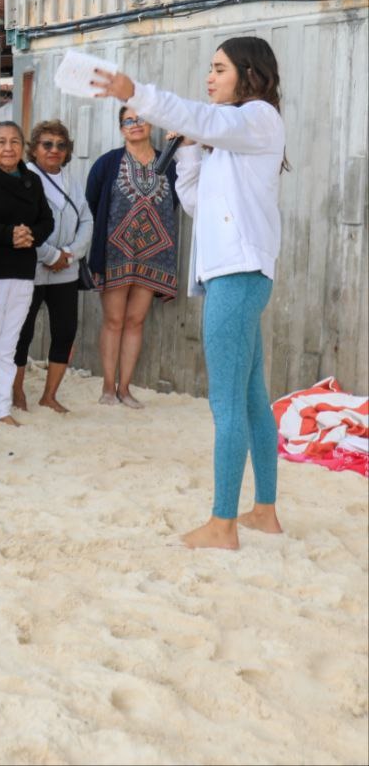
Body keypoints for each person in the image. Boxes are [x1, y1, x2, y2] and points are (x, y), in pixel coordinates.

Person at [93, 37, 286, 550]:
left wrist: (140, 94)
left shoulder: (258, 118)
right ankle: (263, 511)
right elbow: (197, 200)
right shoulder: (229, 136)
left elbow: (205, 117)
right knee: (249, 397)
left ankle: (223, 525)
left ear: (248, 74)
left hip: (239, 275)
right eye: (209, 68)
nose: (209, 77)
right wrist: (191, 149)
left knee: (226, 402)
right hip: (234, 273)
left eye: (219, 69)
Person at [85, 104, 180, 408]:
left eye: (140, 119)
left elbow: (179, 199)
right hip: (115, 252)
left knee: (136, 321)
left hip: (154, 255)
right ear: (121, 128)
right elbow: (92, 202)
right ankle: (107, 387)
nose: (135, 124)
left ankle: (125, 388)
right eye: (128, 120)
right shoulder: (108, 163)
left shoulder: (170, 163)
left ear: (151, 124)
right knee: (114, 320)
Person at [0, 121, 54, 428]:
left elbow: (47, 220)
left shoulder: (31, 179)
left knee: (8, 345)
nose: (8, 148)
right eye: (0, 141)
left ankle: (1, 407)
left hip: (21, 272)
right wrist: (8, 235)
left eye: (15, 141)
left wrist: (32, 235)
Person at [12, 120, 92, 414]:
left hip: (66, 272)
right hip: (31, 269)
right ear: (34, 149)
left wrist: (69, 254)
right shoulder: (24, 179)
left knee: (65, 331)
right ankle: (17, 390)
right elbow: (22, 224)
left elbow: (87, 220)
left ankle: (50, 395)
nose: (54, 150)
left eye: (60, 145)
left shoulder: (72, 180)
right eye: (47, 144)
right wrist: (49, 255)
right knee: (22, 333)